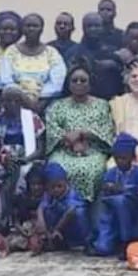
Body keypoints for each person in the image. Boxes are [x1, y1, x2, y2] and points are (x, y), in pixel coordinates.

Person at [45, 61, 115, 201]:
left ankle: (86, 207)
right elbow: (52, 129)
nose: (78, 83)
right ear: (69, 84)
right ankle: (61, 207)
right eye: (74, 80)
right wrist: (70, 139)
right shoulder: (57, 106)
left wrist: (83, 134)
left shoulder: (102, 105)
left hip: (93, 150)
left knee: (92, 170)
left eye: (83, 80)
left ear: (90, 83)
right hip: (64, 150)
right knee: (57, 169)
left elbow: (106, 130)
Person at [89, 133, 138, 256]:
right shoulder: (111, 173)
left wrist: (121, 190)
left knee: (121, 201)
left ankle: (126, 241)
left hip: (132, 216)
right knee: (102, 249)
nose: (120, 161)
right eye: (117, 158)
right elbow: (105, 195)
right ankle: (99, 235)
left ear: (132, 157)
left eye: (124, 158)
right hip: (111, 218)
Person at [0, 13, 67, 111]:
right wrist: (25, 101)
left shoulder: (51, 52)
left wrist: (39, 104)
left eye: (35, 26)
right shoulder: (11, 51)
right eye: (28, 26)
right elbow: (6, 80)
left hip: (45, 105)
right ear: (22, 29)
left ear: (42, 29)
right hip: (14, 106)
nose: (31, 29)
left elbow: (57, 82)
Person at [0, 85, 45, 190]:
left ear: (21, 102)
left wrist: (23, 159)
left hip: (28, 159)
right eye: (8, 100)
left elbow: (40, 149)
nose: (12, 104)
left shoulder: (32, 118)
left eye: (16, 100)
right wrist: (4, 159)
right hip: (2, 160)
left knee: (25, 173)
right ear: (2, 102)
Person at [65, 12, 125, 100]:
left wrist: (114, 66)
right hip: (80, 103)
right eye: (89, 26)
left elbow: (121, 83)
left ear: (103, 27)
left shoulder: (113, 53)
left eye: (97, 26)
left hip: (110, 103)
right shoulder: (72, 53)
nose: (93, 29)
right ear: (83, 28)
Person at [37, 162, 91, 252]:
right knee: (46, 210)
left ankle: (79, 242)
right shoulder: (48, 194)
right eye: (52, 187)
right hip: (59, 226)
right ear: (47, 187)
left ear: (66, 182)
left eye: (59, 186)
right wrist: (41, 221)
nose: (56, 189)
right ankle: (51, 239)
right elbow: (42, 206)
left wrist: (57, 229)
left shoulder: (72, 193)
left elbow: (71, 211)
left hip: (73, 227)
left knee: (79, 213)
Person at [0, 164, 45, 255]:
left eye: (39, 184)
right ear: (28, 184)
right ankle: (6, 245)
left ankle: (34, 246)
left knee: (40, 239)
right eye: (33, 184)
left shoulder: (47, 199)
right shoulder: (22, 198)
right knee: (16, 237)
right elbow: (16, 217)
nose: (36, 187)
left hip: (40, 229)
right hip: (23, 229)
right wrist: (19, 227)